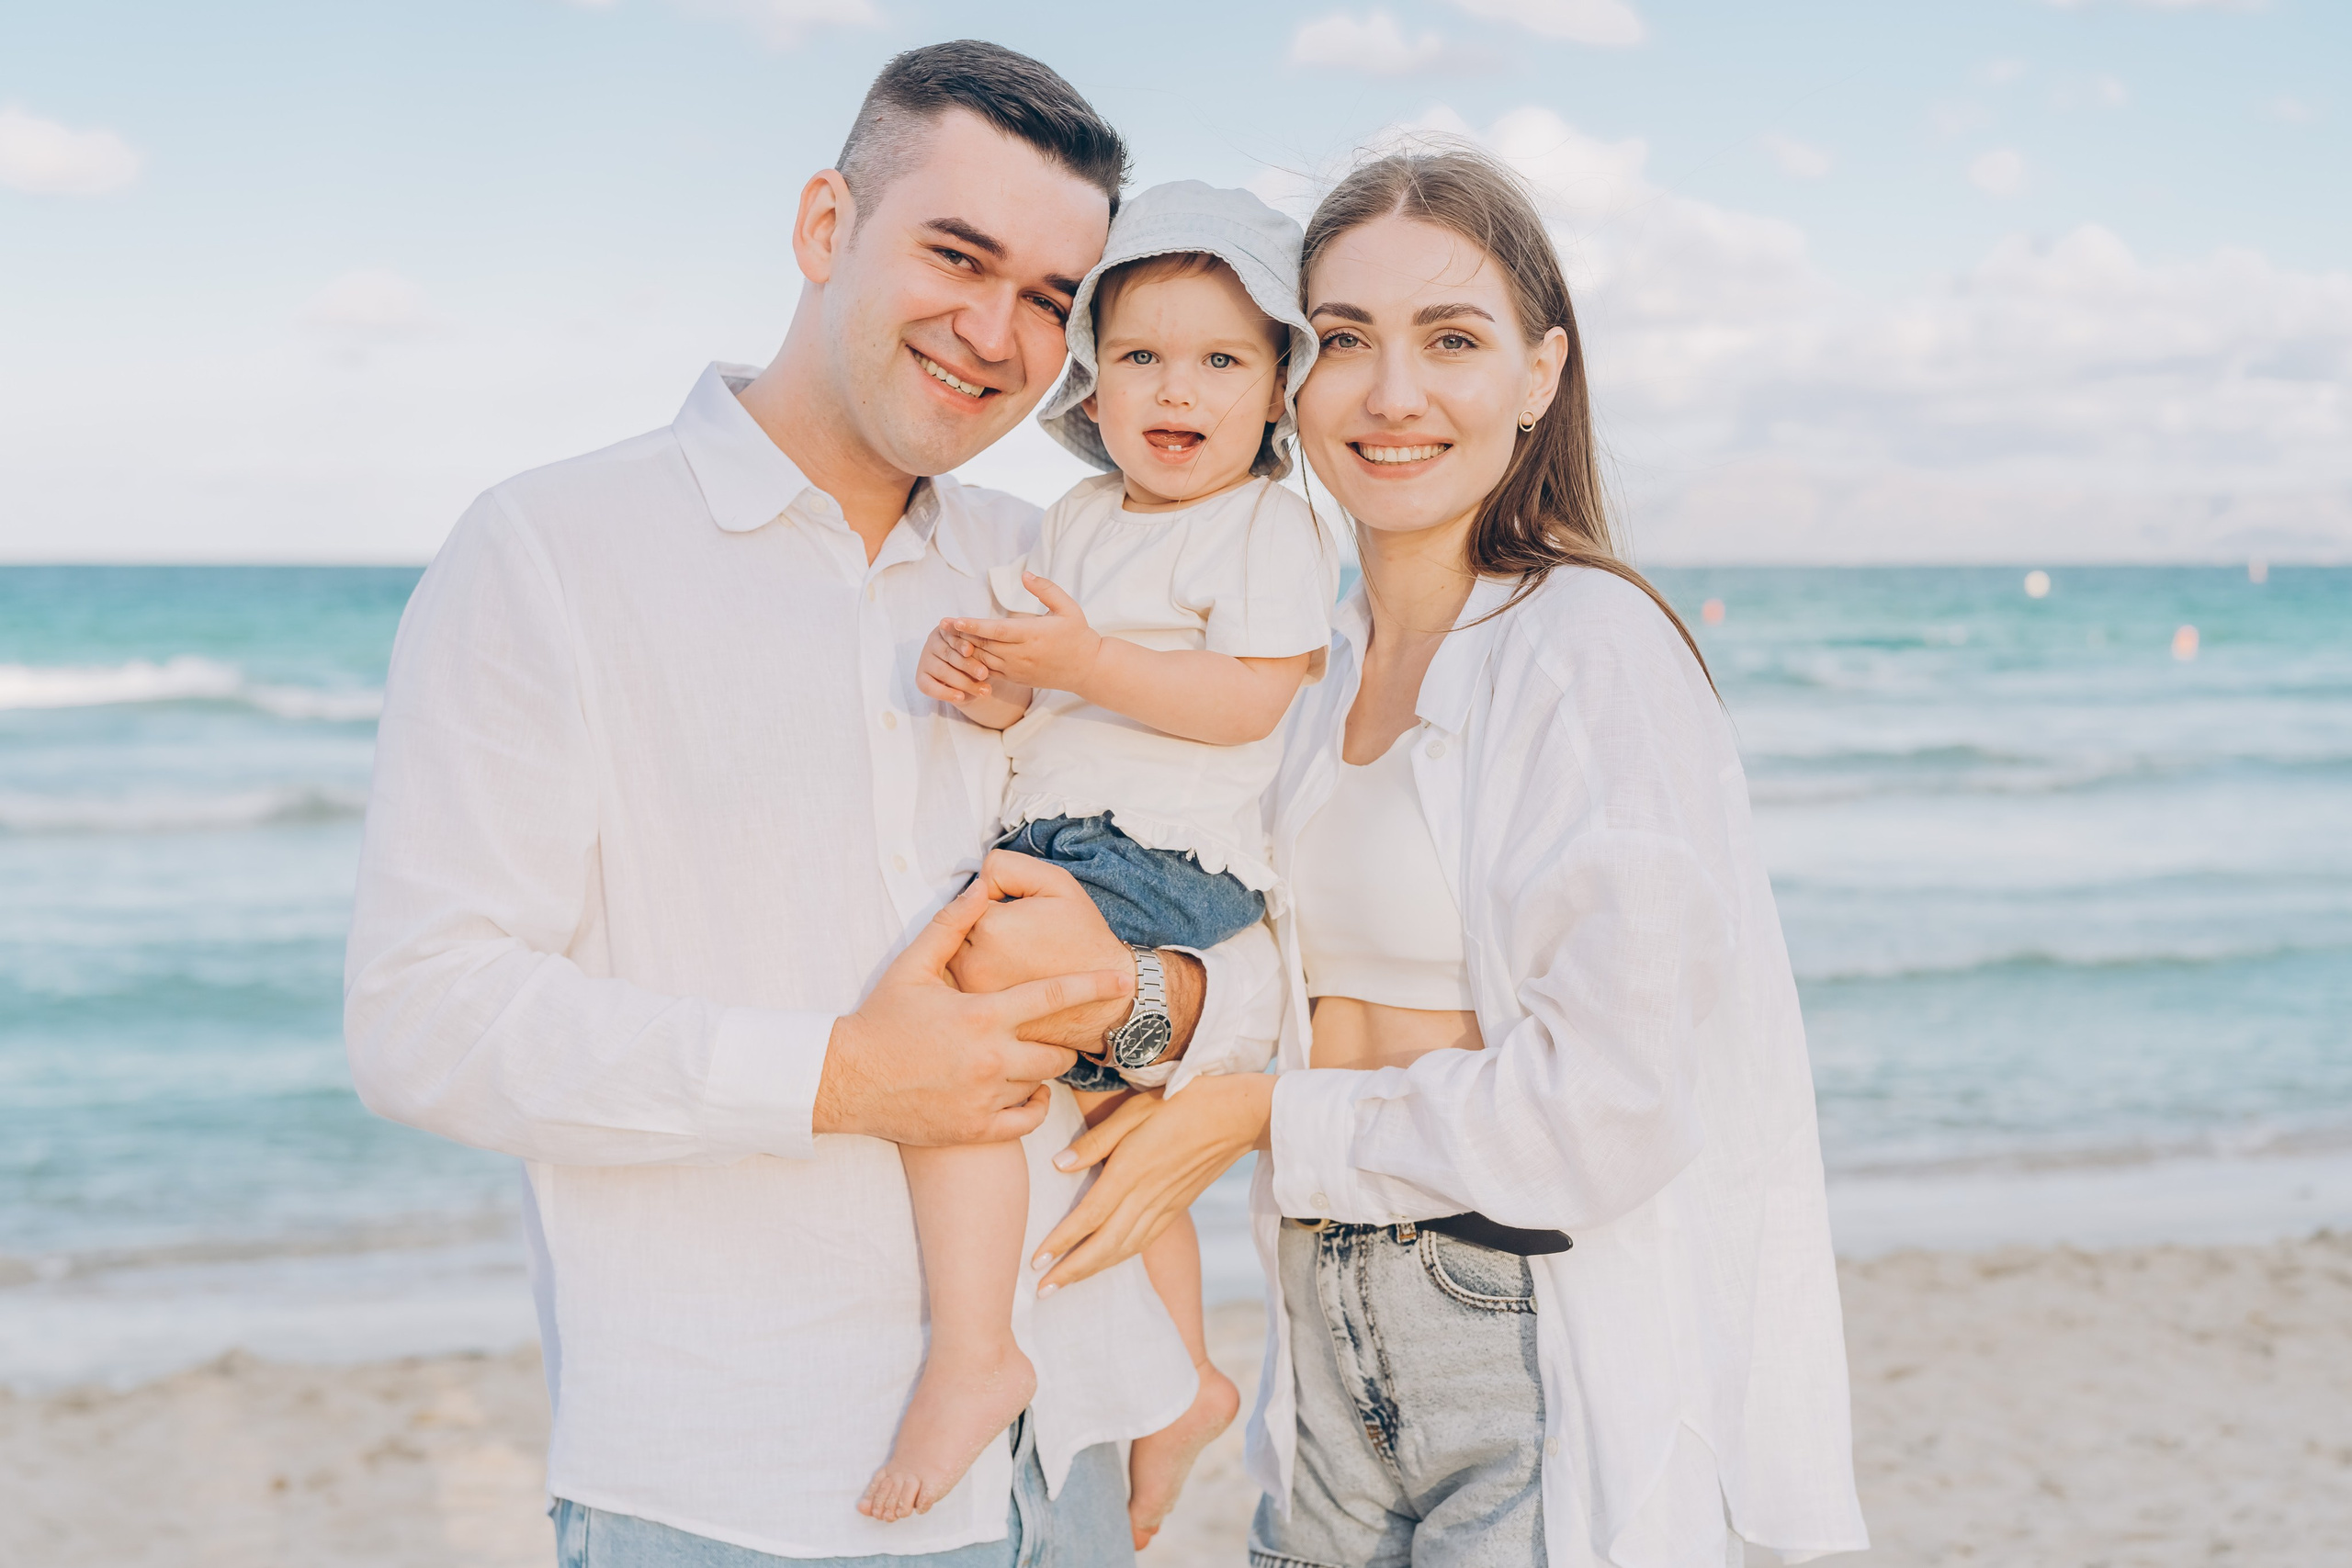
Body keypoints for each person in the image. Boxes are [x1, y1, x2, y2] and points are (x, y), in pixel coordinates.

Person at [343, 41, 1279, 1568]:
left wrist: (1156, 1009)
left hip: (1087, 1437)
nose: (997, 332)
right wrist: (839, 1077)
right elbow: (423, 1018)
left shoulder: (1058, 561)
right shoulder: (549, 552)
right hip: (755, 1483)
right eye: (957, 256)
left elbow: (1243, 882)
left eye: (1052, 298)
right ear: (825, 227)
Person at [1026, 146, 1870, 1566]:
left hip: (1524, 1340)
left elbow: (1609, 1105)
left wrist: (1259, 1123)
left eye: (1453, 340)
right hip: (1321, 1334)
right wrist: (1148, 1003)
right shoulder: (1309, 667)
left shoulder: (1587, 654)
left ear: (1542, 375)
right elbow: (1292, 988)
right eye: (1346, 340)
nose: (1393, 393)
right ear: (1292, 375)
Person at [869, 180, 1332, 1540]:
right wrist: (1004, 692)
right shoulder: (1074, 520)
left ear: (1274, 391)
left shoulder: (1268, 526)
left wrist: (1082, 660)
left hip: (1176, 850)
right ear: (1092, 379)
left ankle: (976, 1352)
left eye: (1220, 359)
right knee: (1090, 1119)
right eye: (1140, 356)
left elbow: (1253, 702)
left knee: (963, 1013)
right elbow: (1062, 705)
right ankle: (1186, 1379)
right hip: (1062, 825)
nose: (1175, 388)